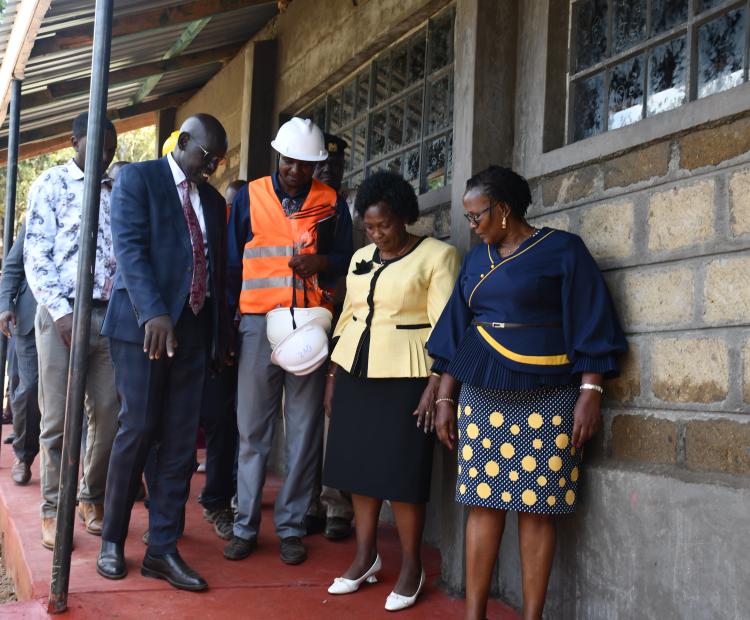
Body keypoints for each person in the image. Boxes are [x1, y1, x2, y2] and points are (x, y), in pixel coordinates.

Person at [427, 166, 627, 620]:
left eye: (477, 217)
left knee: (538, 508)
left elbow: (592, 321)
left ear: (503, 209)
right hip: (483, 393)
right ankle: (474, 614)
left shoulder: (563, 251)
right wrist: (444, 397)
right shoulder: (478, 260)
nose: (472, 228)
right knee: (482, 503)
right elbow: (458, 333)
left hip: (549, 392)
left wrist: (590, 391)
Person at [96, 114, 231, 592]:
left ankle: (162, 549)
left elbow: (217, 270)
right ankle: (112, 538)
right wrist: (153, 312)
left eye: (219, 160)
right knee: (138, 427)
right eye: (207, 157)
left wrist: (219, 337)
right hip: (141, 328)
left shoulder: (213, 202)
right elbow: (129, 250)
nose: (213, 167)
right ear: (185, 141)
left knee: (179, 442)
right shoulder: (139, 179)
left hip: (193, 333)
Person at [322, 171, 459, 612]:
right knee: (358, 471)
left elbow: (446, 327)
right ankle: (365, 557)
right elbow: (347, 316)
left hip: (408, 378)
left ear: (403, 218)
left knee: (402, 476)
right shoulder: (362, 255)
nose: (375, 234)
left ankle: (412, 566)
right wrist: (331, 375)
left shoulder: (438, 256)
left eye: (383, 225)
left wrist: (436, 386)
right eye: (369, 226)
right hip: (355, 374)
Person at [223, 117, 353, 565]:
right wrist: (229, 325)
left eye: (304, 164)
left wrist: (322, 261)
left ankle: (293, 526)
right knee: (252, 429)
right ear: (278, 156)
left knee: (304, 428)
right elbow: (230, 262)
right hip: (259, 323)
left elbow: (346, 260)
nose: (295, 170)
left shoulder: (332, 202)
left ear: (317, 164)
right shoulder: (249, 196)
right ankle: (244, 525)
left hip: (311, 323)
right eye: (288, 161)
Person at [24, 113, 120, 549]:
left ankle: (90, 496)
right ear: (74, 141)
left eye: (111, 145)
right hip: (61, 315)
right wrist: (62, 314)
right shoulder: (50, 184)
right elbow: (36, 254)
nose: (104, 153)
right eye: (96, 144)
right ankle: (53, 508)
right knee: (58, 419)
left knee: (108, 412)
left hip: (111, 317)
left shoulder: (120, 190)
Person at [305, 132, 355, 541]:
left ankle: (335, 503)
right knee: (303, 413)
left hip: (336, 318)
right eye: (322, 166)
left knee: (333, 413)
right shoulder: (291, 201)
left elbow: (345, 261)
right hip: (295, 320)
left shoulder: (341, 208)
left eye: (335, 168)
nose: (328, 174)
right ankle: (306, 502)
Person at [196, 179, 246, 541]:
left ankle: (217, 502)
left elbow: (229, 280)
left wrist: (226, 333)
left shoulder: (222, 221)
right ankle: (162, 512)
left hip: (219, 333)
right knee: (169, 427)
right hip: (174, 333)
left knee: (221, 421)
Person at [0, 222, 40, 485]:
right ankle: (23, 456)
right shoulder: (40, 206)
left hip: (83, 312)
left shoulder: (105, 201)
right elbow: (13, 265)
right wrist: (5, 304)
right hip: (31, 314)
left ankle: (96, 474)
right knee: (28, 388)